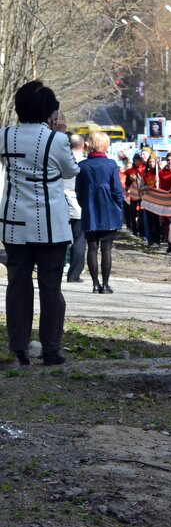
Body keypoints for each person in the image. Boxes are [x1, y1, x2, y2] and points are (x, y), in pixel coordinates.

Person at [3, 81, 79, 366]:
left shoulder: (4, 135)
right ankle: (51, 349)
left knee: (17, 285)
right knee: (50, 287)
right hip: (50, 224)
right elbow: (71, 170)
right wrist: (59, 132)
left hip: (14, 222)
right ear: (50, 112)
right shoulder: (56, 139)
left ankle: (18, 347)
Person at [76, 132, 124, 294]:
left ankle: (95, 284)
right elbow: (117, 190)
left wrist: (84, 205)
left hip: (90, 210)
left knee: (92, 247)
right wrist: (118, 206)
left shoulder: (83, 165)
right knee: (107, 249)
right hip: (109, 210)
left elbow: (79, 191)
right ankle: (105, 284)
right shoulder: (111, 164)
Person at [64, 133, 87, 283]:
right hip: (78, 205)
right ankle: (74, 274)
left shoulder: (61, 159)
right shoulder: (84, 163)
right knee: (79, 240)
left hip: (59, 204)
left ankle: (58, 268)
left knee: (60, 240)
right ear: (83, 145)